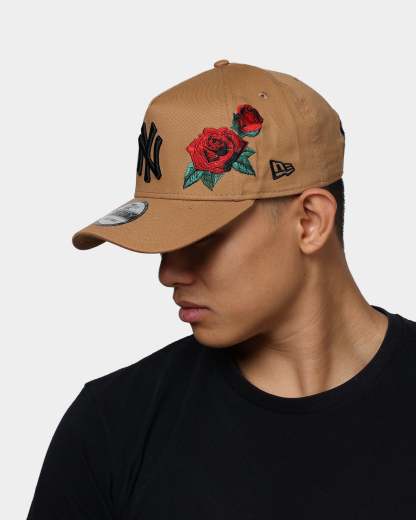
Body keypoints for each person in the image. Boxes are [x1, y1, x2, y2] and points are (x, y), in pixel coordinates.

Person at [26, 59, 416, 519]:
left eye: (202, 238)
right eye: (163, 241)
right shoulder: (110, 428)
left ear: (309, 222)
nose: (168, 272)